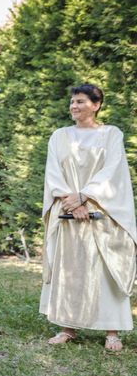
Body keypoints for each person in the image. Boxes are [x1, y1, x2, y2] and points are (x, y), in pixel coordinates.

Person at [40, 84, 136, 351]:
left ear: (96, 105)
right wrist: (72, 202)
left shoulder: (111, 134)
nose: (74, 106)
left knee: (104, 269)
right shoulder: (59, 136)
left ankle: (112, 331)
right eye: (72, 101)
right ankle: (67, 327)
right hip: (68, 211)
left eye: (80, 101)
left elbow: (113, 170)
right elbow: (53, 173)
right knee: (70, 269)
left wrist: (85, 196)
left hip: (102, 211)